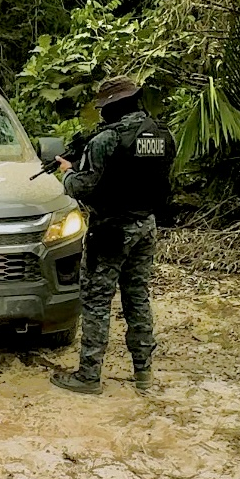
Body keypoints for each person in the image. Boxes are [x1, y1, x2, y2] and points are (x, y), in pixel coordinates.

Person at [50, 76, 175, 395]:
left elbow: (83, 187)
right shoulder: (162, 134)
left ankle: (89, 375)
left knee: (96, 301)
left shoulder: (107, 139)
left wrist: (68, 173)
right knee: (137, 298)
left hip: (111, 230)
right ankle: (143, 372)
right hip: (145, 225)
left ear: (112, 106)